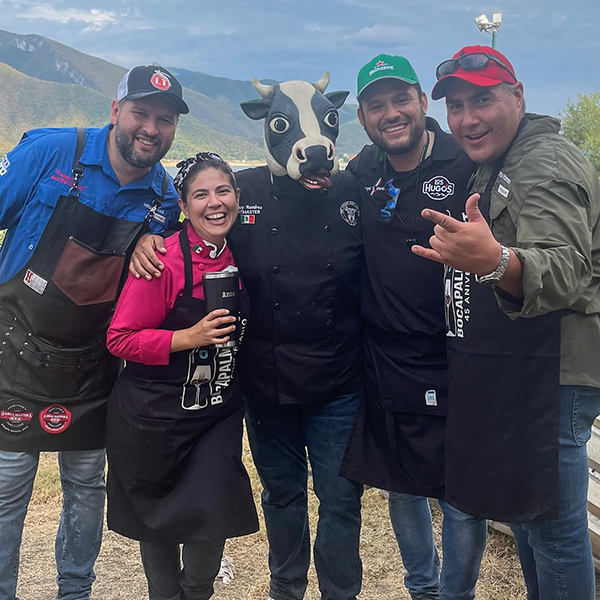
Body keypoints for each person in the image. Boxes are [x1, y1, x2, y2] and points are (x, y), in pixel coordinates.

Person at [132, 73, 364, 600]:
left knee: (341, 498)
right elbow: (189, 216)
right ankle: (287, 590)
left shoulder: (350, 186)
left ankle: (340, 594)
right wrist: (146, 236)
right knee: (282, 496)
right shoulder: (245, 190)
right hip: (266, 381)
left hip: (339, 381)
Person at [412, 45, 600, 599]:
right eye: (456, 106)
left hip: (556, 375)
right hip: (534, 370)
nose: (467, 119)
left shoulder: (542, 162)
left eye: (483, 101)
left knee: (554, 529)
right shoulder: (505, 160)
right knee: (530, 519)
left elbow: (566, 270)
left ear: (518, 97)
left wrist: (493, 261)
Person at [0, 65, 186, 600]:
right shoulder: (50, 154)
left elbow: (161, 274)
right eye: (141, 113)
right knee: (9, 488)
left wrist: (154, 246)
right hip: (14, 352)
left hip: (90, 365)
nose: (151, 128)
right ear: (115, 111)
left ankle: (75, 591)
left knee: (86, 487)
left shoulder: (164, 199)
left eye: (164, 120)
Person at [338, 54, 487, 600]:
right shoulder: (361, 172)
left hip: (458, 354)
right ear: (363, 117)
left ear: (424, 103)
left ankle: (456, 594)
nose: (391, 113)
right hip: (386, 357)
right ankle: (422, 589)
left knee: (459, 492)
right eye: (377, 105)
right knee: (400, 486)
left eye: (401, 99)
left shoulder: (464, 162)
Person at [105, 152, 259, 600]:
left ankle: (197, 592)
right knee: (156, 524)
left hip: (214, 414)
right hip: (151, 416)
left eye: (223, 190)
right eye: (201, 194)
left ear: (237, 196)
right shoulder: (162, 260)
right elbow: (120, 339)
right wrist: (185, 337)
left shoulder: (241, 252)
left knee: (211, 520)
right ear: (184, 205)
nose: (215, 203)